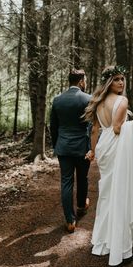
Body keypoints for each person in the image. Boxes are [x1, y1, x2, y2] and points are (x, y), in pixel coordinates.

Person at [84, 65, 133, 267]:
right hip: (116, 148)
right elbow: (118, 128)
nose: (121, 83)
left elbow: (95, 130)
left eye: (122, 79)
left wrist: (94, 151)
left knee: (107, 195)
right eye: (116, 79)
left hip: (104, 148)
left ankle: (103, 240)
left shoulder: (97, 102)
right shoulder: (122, 101)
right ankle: (121, 250)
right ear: (108, 82)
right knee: (119, 196)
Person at [50, 69, 91, 233]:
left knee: (66, 182)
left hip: (64, 147)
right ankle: (81, 205)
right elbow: (92, 126)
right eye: (85, 80)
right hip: (82, 147)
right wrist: (92, 148)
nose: (85, 82)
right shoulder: (88, 99)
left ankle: (70, 220)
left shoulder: (57, 100)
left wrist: (56, 145)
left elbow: (53, 126)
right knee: (83, 178)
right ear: (81, 81)